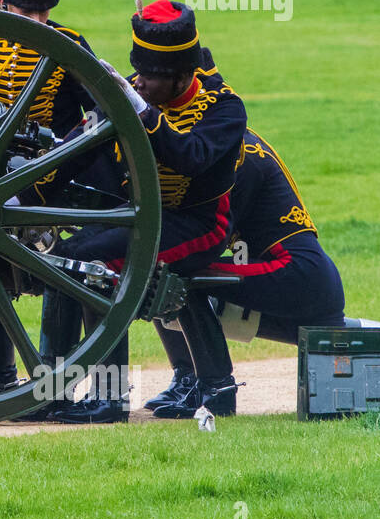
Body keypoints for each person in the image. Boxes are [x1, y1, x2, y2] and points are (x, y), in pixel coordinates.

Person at [37, 1, 246, 424]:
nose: (142, 83)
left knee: (95, 266)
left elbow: (192, 158)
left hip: (198, 223)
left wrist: (143, 114)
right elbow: (81, 146)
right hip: (142, 218)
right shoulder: (137, 92)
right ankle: (51, 391)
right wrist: (29, 192)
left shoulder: (225, 108)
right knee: (64, 259)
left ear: (183, 76)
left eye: (152, 76)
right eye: (140, 73)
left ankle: (111, 399)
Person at [0, 0, 96, 398]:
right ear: (4, 2)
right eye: (28, 12)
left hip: (53, 172)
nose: (39, 21)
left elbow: (103, 114)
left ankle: (46, 380)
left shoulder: (70, 44)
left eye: (45, 11)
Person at [148, 122, 346, 419]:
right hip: (295, 275)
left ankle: (217, 391)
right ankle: (187, 381)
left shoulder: (244, 157)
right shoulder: (228, 141)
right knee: (171, 267)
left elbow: (205, 239)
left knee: (181, 273)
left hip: (297, 275)